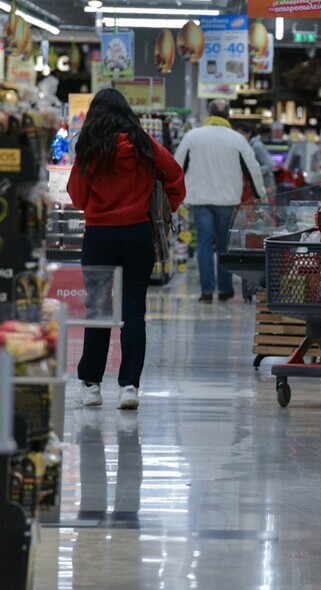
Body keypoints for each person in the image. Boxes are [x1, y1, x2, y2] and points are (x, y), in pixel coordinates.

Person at [67, 88, 186, 410]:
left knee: (98, 310)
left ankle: (91, 387)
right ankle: (129, 387)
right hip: (137, 234)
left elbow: (77, 197)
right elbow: (175, 175)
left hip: (99, 237)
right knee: (134, 311)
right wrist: (167, 208)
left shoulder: (90, 147)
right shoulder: (144, 144)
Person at [174, 99, 266, 303]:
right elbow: (253, 169)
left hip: (199, 198)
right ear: (229, 115)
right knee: (224, 245)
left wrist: (173, 195)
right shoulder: (237, 139)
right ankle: (225, 290)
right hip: (227, 199)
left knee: (204, 244)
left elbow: (176, 166)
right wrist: (261, 195)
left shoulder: (192, 137)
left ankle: (206, 291)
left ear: (209, 113)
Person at [234, 122, 276, 200]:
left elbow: (270, 164)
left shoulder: (256, 146)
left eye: (241, 133)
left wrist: (253, 172)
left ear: (249, 133)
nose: (238, 137)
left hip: (264, 187)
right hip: (256, 188)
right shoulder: (245, 145)